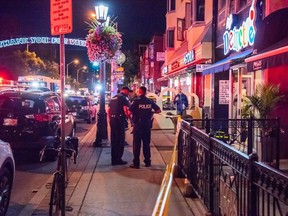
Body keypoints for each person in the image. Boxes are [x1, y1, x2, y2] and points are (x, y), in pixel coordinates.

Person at [129, 86, 161, 169]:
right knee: (146, 144)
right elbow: (158, 110)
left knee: (137, 145)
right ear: (145, 92)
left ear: (139, 92)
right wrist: (151, 112)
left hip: (138, 126)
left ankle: (136, 163)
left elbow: (130, 110)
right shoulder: (149, 101)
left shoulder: (136, 101)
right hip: (147, 125)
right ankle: (147, 162)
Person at [107, 86, 131, 165]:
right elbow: (126, 110)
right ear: (124, 91)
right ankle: (118, 159)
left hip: (113, 120)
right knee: (120, 140)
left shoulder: (113, 97)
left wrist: (110, 119)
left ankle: (113, 159)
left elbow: (109, 110)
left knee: (114, 140)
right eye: (128, 92)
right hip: (119, 120)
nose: (128, 93)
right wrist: (130, 119)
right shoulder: (123, 98)